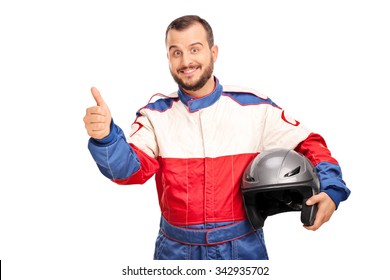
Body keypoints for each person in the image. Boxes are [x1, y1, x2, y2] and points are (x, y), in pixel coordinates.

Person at [83, 15, 350, 260]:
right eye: (176, 52)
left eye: (194, 49)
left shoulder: (254, 107)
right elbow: (129, 171)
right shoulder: (155, 115)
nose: (186, 61)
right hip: (176, 250)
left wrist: (332, 190)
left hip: (242, 247)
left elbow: (309, 144)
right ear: (168, 58)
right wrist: (106, 137)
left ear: (214, 52)